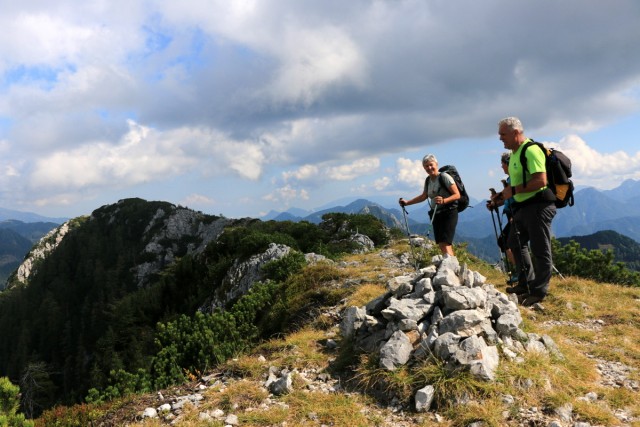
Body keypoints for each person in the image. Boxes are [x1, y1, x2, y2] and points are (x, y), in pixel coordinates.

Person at [489, 117, 556, 306]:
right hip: (523, 207)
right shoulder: (514, 155)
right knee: (513, 242)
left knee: (540, 249)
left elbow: (541, 181)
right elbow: (514, 186)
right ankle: (525, 283)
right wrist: (499, 200)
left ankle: (538, 291)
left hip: (539, 206)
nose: (501, 139)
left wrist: (514, 191)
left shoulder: (531, 150)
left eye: (503, 134)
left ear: (515, 132)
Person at [399, 154, 461, 257]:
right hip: (436, 213)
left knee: (446, 243)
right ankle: (449, 265)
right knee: (441, 243)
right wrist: (407, 202)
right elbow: (424, 196)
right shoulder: (428, 180)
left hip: (449, 213)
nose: (429, 168)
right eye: (426, 166)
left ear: (436, 164)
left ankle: (451, 267)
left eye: (431, 165)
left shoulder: (444, 177)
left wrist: (444, 200)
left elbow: (457, 195)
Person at [487, 152, 517, 282]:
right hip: (513, 214)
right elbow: (507, 198)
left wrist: (496, 200)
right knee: (505, 242)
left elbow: (512, 197)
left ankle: (522, 271)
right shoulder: (511, 179)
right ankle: (521, 271)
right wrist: (495, 204)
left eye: (503, 164)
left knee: (509, 242)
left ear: (508, 164)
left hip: (516, 214)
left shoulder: (514, 179)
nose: (501, 167)